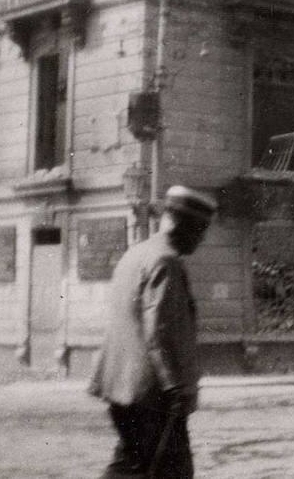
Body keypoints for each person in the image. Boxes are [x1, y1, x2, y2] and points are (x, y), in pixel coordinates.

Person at [89, 185, 218, 479]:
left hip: (121, 388)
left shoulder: (137, 254)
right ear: (181, 226)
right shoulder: (166, 262)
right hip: (153, 394)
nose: (201, 239)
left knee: (131, 466)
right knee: (172, 472)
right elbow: (159, 331)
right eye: (199, 230)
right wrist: (177, 387)